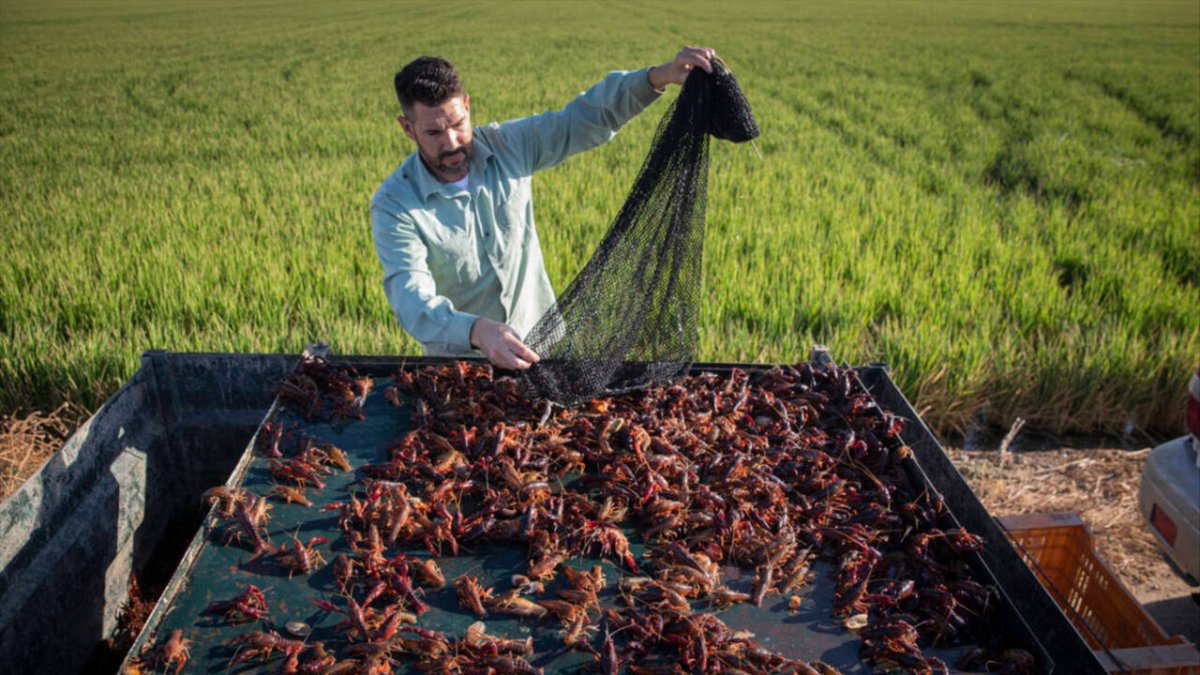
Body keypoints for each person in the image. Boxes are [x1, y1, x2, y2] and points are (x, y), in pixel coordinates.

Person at [371, 46, 718, 370]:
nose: (451, 143)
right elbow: (411, 297)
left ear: (467, 105)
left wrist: (658, 76)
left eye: (458, 124)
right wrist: (476, 331)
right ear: (407, 128)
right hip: (463, 369)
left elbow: (581, 119)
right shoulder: (396, 204)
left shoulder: (510, 146)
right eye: (433, 132)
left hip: (543, 353)